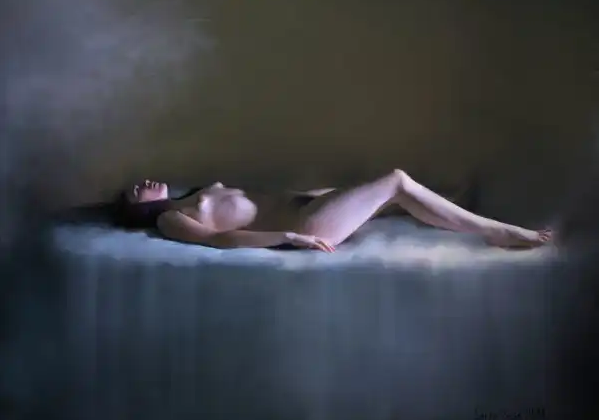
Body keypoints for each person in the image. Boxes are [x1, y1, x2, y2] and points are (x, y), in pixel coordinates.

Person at [116, 170, 553, 253]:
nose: (141, 185)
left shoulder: (193, 194)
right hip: (305, 224)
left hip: (305, 204)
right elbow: (220, 239)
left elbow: (264, 200)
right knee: (396, 181)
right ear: (140, 212)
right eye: (135, 194)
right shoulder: (169, 219)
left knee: (382, 197)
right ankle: (496, 231)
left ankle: (445, 200)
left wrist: (319, 194)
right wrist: (289, 238)